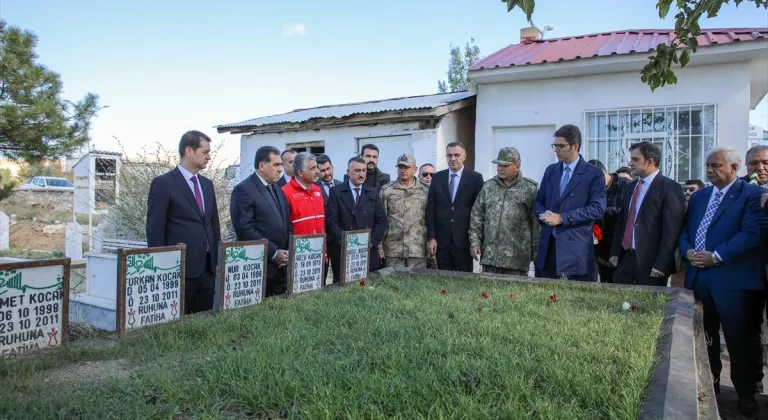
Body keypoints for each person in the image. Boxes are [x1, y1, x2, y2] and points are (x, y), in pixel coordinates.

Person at [679, 147, 767, 416]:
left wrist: (716, 256)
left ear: (734, 168)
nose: (709, 171)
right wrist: (688, 251)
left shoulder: (753, 195)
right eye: (707, 165)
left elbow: (752, 234)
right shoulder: (700, 197)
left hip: (735, 282)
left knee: (740, 340)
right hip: (699, 278)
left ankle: (746, 393)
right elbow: (686, 232)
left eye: (715, 166)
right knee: (703, 339)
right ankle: (710, 386)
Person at [146, 130, 221, 314]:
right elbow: (155, 228)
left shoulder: (207, 185)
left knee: (204, 320)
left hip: (207, 268)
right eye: (205, 152)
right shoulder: (164, 184)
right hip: (179, 270)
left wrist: (216, 260)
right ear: (189, 151)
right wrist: (161, 267)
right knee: (176, 324)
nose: (209, 157)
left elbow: (213, 225)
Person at [533, 124, 606, 281]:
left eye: (561, 146)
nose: (556, 150)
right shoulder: (551, 170)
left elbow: (597, 209)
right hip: (548, 250)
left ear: (575, 146)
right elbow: (539, 201)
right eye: (555, 145)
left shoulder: (593, 174)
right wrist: (543, 214)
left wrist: (562, 218)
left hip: (575, 253)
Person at [608, 142, 685, 286]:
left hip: (652, 262)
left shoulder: (670, 188)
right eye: (631, 159)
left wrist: (662, 263)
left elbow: (672, 231)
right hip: (626, 257)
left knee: (647, 306)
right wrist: (615, 252)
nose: (630, 163)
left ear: (650, 161)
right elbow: (622, 221)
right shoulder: (631, 187)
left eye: (635, 159)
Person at [230, 146, 292, 296]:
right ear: (262, 165)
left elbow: (286, 223)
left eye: (281, 165)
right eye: (276, 165)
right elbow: (245, 230)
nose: (280, 170)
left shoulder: (277, 189)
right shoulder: (243, 190)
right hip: (258, 267)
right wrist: (273, 252)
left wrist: (287, 251)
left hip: (282, 268)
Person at [469, 147, 539, 275]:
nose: (500, 168)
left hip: (517, 260)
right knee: (487, 294)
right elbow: (477, 216)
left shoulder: (530, 189)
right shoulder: (488, 187)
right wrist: (474, 241)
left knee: (514, 295)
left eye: (505, 165)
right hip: (490, 258)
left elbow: (536, 223)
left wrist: (536, 252)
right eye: (498, 164)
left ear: (517, 166)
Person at [326, 157, 388, 282]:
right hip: (344, 250)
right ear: (348, 172)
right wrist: (345, 242)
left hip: (368, 250)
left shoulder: (373, 192)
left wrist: (372, 242)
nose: (362, 174)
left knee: (368, 286)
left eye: (364, 171)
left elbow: (382, 221)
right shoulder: (336, 192)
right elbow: (332, 220)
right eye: (357, 171)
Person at [426, 142, 484, 272]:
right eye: (449, 155)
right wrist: (432, 237)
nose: (453, 158)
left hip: (464, 240)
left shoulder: (475, 178)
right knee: (443, 281)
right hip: (442, 241)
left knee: (463, 282)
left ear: (464, 156)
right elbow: (431, 210)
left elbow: (479, 211)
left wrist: (477, 240)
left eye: (457, 155)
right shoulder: (437, 178)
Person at [379, 154, 430, 268]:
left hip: (418, 250)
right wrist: (379, 247)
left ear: (415, 169)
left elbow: (430, 219)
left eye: (406, 167)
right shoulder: (387, 190)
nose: (403, 170)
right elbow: (380, 220)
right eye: (400, 167)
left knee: (418, 284)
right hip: (393, 250)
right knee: (393, 284)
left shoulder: (426, 191)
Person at [587, 159, 630, 283]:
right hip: (601, 246)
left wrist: (599, 210)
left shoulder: (625, 185)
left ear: (603, 172)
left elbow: (625, 212)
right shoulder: (594, 190)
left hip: (620, 245)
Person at [282, 152, 325, 236]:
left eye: (317, 167)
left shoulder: (318, 189)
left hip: (320, 246)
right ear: (301, 172)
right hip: (300, 247)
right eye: (313, 168)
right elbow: (286, 226)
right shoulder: (285, 192)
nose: (317, 171)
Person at [419, 163, 437, 269]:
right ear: (419, 176)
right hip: (418, 243)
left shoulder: (439, 192)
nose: (428, 177)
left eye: (432, 174)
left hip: (434, 241)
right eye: (425, 174)